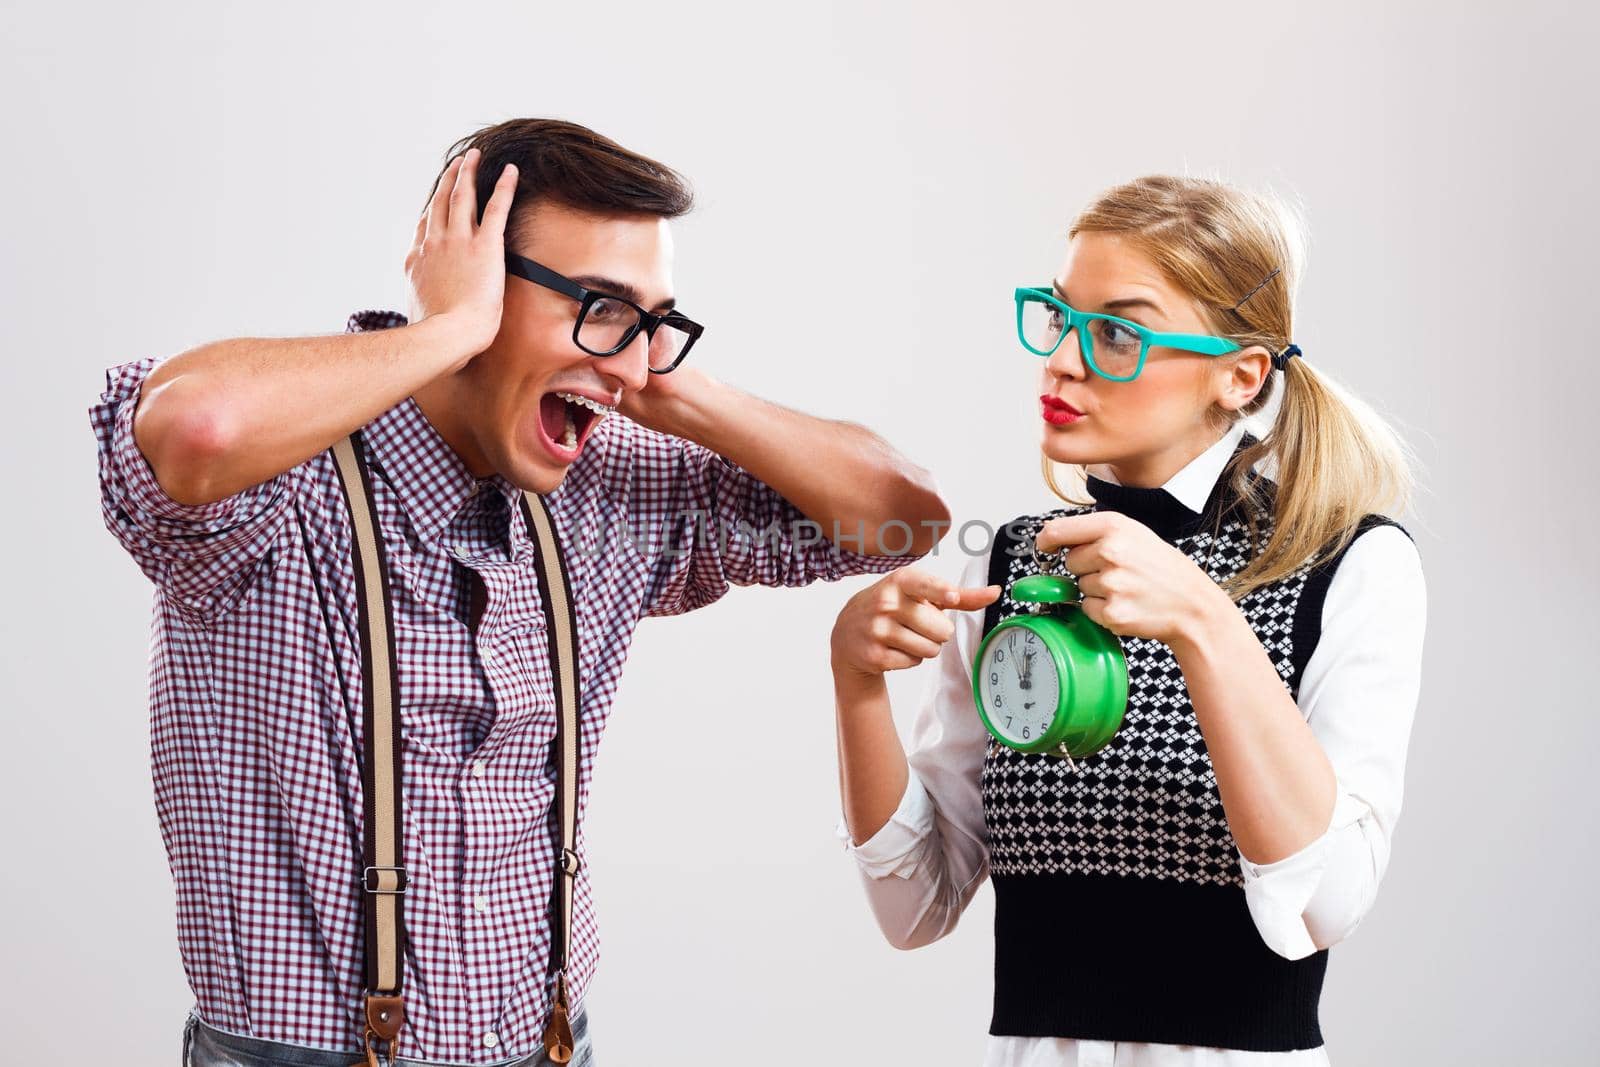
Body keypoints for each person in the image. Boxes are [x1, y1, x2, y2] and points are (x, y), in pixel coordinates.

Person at [88, 118, 949, 1066]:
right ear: (478, 278)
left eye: (651, 319)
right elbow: (194, 432)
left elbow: (902, 515)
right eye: (601, 306)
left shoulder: (608, 486)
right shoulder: (280, 477)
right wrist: (450, 328)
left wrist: (656, 379)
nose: (626, 359)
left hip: (549, 1045)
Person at [830, 175, 1427, 1065]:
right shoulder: (1013, 561)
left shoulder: (1352, 564)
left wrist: (1204, 622)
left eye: (1116, 331)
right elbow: (916, 903)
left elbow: (1324, 905)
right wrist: (856, 682)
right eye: (1060, 316)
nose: (1063, 360)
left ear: (1240, 375)